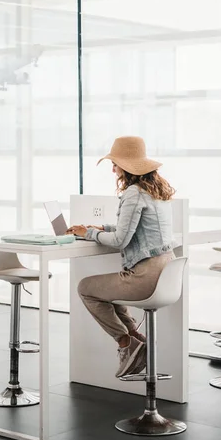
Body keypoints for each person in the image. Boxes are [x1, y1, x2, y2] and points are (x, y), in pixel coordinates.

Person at [67, 136, 176, 378]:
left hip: (147, 276)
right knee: (108, 292)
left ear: (126, 166)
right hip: (165, 273)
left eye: (115, 163)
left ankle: (125, 343)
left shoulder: (134, 193)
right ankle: (137, 340)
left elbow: (120, 241)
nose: (113, 168)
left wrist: (90, 234)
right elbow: (133, 230)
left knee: (86, 288)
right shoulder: (156, 191)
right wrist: (101, 228)